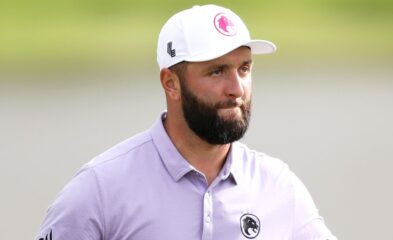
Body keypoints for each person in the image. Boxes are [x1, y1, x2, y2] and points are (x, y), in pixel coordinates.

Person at [36, 4, 337, 240]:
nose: (237, 88)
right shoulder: (100, 188)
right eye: (217, 71)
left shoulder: (278, 186)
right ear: (171, 83)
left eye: (244, 69)